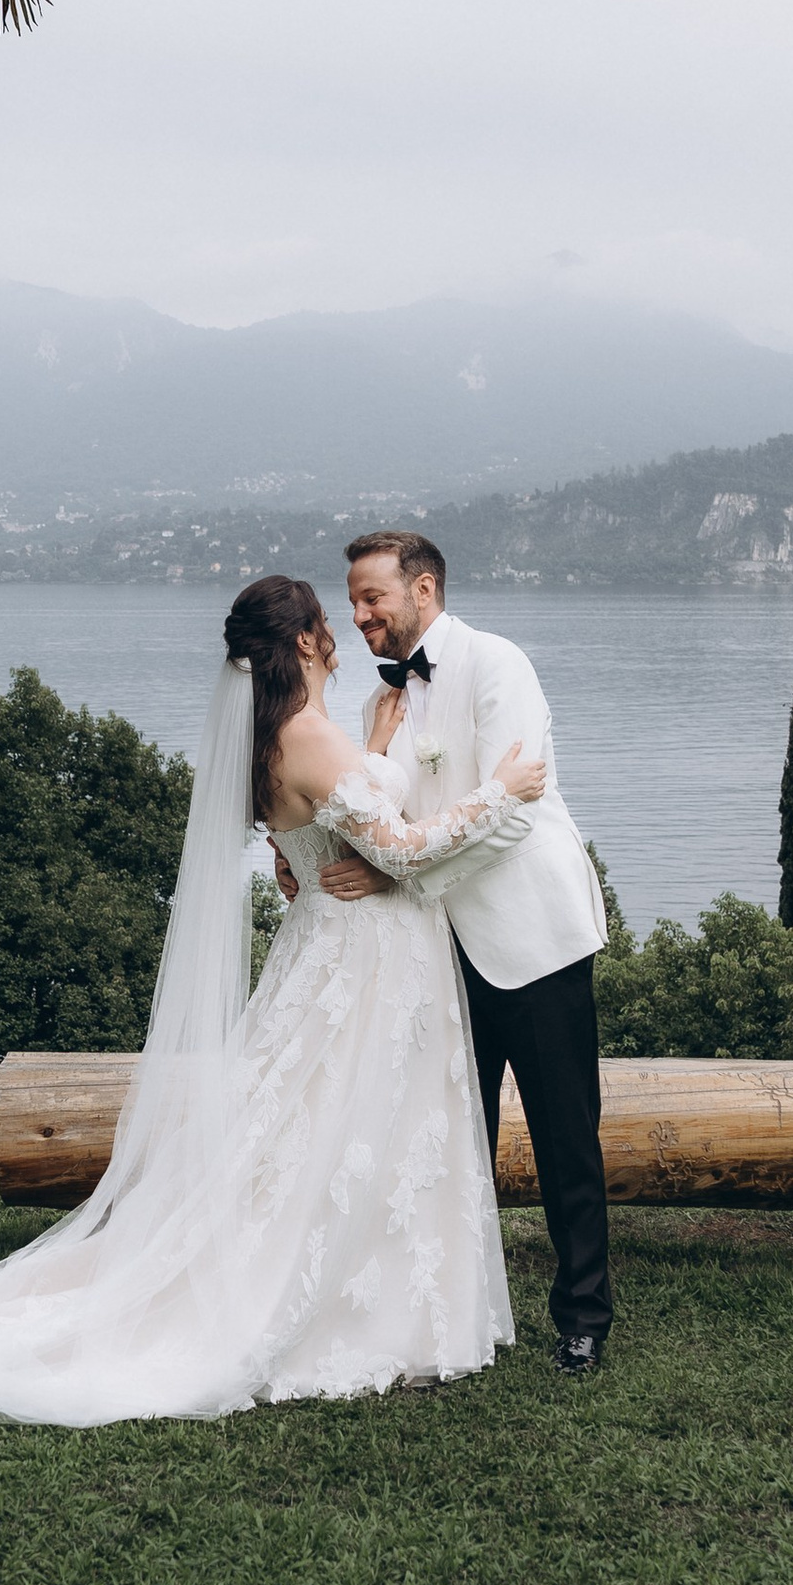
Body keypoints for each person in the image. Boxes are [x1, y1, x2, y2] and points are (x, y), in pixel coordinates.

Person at [0, 579, 544, 1425]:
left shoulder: (269, 738)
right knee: (335, 1128)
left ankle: (380, 1298)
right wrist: (500, 791)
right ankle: (348, 1309)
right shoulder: (312, 736)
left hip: (334, 951)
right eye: (330, 619)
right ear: (310, 641)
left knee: (323, 1129)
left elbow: (315, 842)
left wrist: (382, 757)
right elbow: (394, 850)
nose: (343, 631)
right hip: (361, 963)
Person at [302, 531, 615, 1376]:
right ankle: (453, 1312)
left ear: (424, 591)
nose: (359, 615)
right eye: (353, 600)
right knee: (446, 1135)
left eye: (373, 599)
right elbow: (380, 809)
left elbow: (511, 816)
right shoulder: (386, 703)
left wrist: (399, 874)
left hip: (533, 938)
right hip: (436, 955)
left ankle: (584, 1316)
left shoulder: (498, 665)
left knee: (564, 1136)